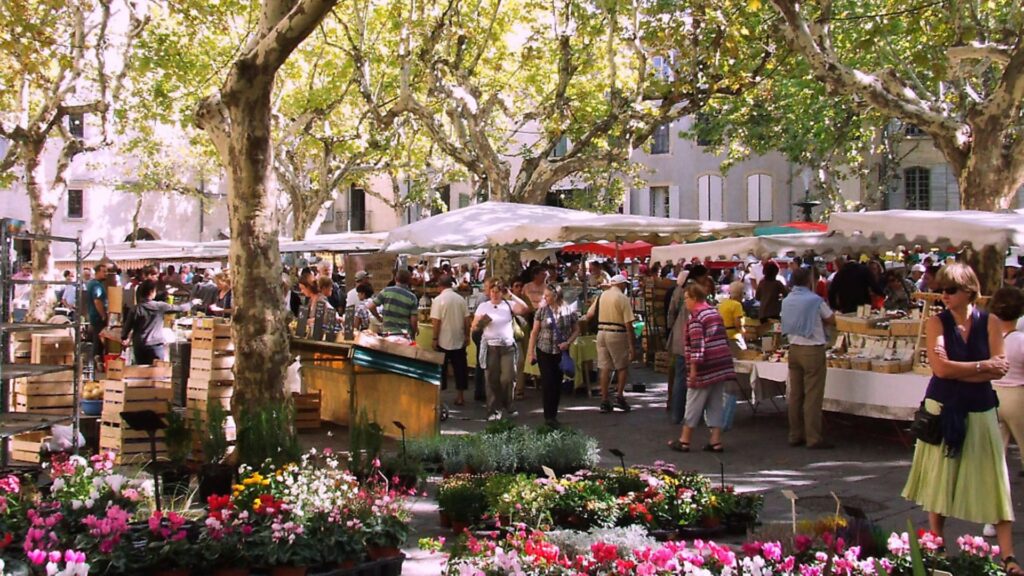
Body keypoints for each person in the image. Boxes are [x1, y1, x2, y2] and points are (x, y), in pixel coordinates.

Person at [901, 264, 1018, 575]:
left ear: (969, 290)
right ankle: (937, 545)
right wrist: (982, 367)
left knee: (995, 479)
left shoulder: (989, 321)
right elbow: (941, 369)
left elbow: (1000, 368)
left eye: (950, 290)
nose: (944, 295)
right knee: (940, 480)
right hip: (944, 408)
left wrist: (962, 369)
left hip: (980, 409)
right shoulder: (936, 322)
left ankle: (1008, 556)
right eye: (941, 290)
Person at [667, 282, 735, 453]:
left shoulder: (696, 317)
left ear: (695, 298)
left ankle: (685, 440)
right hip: (720, 364)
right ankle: (716, 441)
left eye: (686, 299)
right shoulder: (714, 312)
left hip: (705, 366)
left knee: (694, 402)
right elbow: (724, 339)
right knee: (715, 403)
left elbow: (697, 346)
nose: (685, 302)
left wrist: (693, 371)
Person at [781, 267, 835, 449]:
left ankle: (795, 434)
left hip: (794, 348)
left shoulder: (787, 300)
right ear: (808, 281)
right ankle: (813, 437)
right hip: (812, 349)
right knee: (813, 395)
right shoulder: (814, 300)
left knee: (796, 394)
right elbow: (831, 318)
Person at [471, 280, 530, 420]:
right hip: (491, 346)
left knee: (508, 378)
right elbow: (474, 327)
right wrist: (482, 322)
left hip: (507, 347)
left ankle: (508, 403)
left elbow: (525, 309)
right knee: (492, 379)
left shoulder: (508, 305)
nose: (495, 294)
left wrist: (511, 295)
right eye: (493, 291)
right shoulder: (483, 306)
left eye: (498, 291)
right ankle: (493, 410)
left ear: (502, 292)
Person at [526, 283, 581, 428]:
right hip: (544, 350)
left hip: (560, 351)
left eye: (547, 296)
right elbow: (534, 332)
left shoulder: (568, 310)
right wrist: (531, 352)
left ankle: (553, 414)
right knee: (548, 382)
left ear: (556, 296)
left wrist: (568, 342)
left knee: (557, 383)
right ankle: (548, 416)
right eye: (544, 296)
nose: (545, 298)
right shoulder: (542, 311)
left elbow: (576, 330)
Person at [584, 274, 635, 413]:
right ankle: (619, 396)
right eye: (625, 284)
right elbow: (628, 324)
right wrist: (632, 345)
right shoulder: (622, 298)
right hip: (617, 333)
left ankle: (604, 400)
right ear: (621, 284)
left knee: (604, 367)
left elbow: (589, 315)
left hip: (601, 333)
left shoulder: (601, 296)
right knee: (622, 366)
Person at [991, 287, 1024, 470]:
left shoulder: (988, 338)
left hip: (993, 393)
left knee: (997, 450)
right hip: (1017, 395)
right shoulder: (1020, 340)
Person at [121, 279, 191, 365]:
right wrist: (192, 303)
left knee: (141, 371)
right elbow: (180, 308)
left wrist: (124, 338)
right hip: (156, 345)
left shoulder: (136, 309)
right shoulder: (159, 306)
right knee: (158, 370)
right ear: (152, 292)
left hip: (139, 345)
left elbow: (126, 328)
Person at [431, 275, 471, 406]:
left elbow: (436, 321)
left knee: (441, 369)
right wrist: (467, 335)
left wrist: (435, 338)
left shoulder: (438, 300)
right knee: (460, 368)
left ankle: (440, 397)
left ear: (440, 286)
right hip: (458, 338)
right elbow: (467, 320)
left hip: (443, 339)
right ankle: (460, 396)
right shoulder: (460, 299)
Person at [666, 272, 690, 424]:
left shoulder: (676, 292)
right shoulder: (690, 293)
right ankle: (687, 413)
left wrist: (671, 330)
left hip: (678, 338)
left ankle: (676, 413)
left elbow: (670, 314)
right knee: (684, 376)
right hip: (688, 340)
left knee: (679, 376)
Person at [368, 268, 418, 338]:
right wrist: (414, 331)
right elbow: (413, 321)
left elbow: (371, 306)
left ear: (395, 279)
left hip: (388, 334)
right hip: (404, 335)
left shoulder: (386, 291)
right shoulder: (412, 297)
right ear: (409, 281)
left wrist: (379, 317)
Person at [85, 264, 110, 364]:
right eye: (104, 271)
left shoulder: (91, 283)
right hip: (98, 317)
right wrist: (103, 315)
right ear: (97, 272)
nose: (106, 274)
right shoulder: (96, 286)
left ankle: (97, 360)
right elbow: (97, 301)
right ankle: (98, 360)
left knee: (97, 339)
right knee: (99, 340)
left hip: (94, 315)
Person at [717, 281, 746, 352]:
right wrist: (742, 332)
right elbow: (737, 323)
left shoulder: (723, 304)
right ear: (740, 294)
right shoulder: (737, 305)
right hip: (734, 336)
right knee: (741, 354)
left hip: (723, 335)